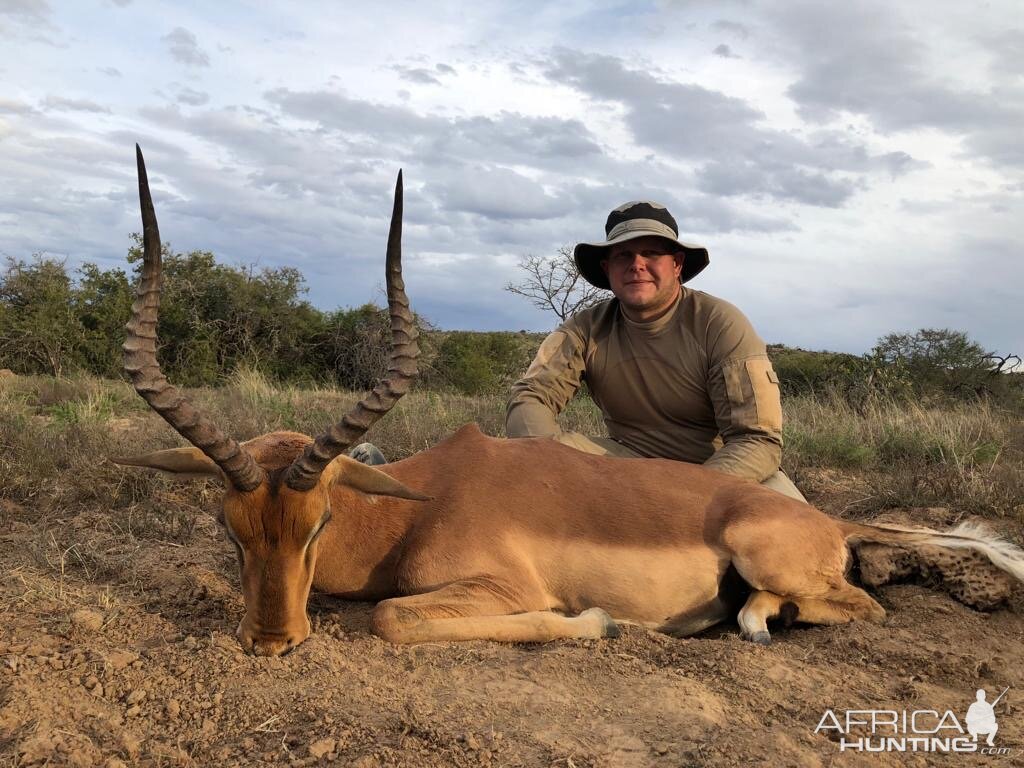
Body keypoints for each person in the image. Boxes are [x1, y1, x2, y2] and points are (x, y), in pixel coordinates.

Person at [505, 200, 805, 501]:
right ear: (607, 269)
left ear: (677, 264)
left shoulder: (719, 322)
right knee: (522, 469)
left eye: (651, 253)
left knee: (795, 531)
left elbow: (756, 439)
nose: (637, 264)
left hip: (717, 469)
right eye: (623, 254)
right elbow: (532, 396)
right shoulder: (584, 329)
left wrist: (688, 494)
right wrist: (545, 464)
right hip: (626, 462)